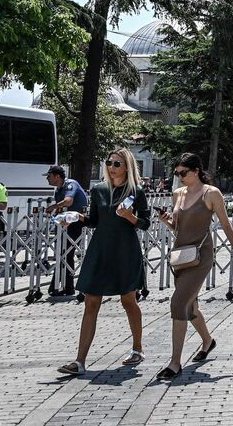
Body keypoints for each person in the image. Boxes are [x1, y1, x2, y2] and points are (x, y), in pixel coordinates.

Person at [154, 153, 233, 381]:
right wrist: (166, 220)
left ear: (196, 170)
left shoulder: (211, 193)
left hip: (200, 256)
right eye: (177, 173)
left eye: (183, 173)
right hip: (180, 255)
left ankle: (175, 363)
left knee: (178, 303)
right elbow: (178, 227)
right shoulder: (177, 194)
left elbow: (226, 224)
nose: (179, 177)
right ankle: (208, 341)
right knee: (191, 307)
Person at [57, 149, 151, 376]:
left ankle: (137, 348)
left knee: (128, 301)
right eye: (109, 162)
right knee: (90, 303)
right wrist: (77, 218)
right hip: (100, 250)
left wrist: (130, 217)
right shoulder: (98, 190)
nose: (111, 166)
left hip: (125, 251)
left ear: (127, 166)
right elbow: (95, 220)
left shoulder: (136, 191)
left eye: (117, 163)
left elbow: (145, 223)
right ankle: (79, 361)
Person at [44, 166, 88, 296]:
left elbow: (68, 202)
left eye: (49, 176)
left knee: (67, 252)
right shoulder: (58, 190)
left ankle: (65, 286)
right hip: (64, 224)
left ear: (57, 176)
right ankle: (64, 286)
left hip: (76, 222)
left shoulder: (70, 184)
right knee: (62, 252)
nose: (47, 178)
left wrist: (53, 206)